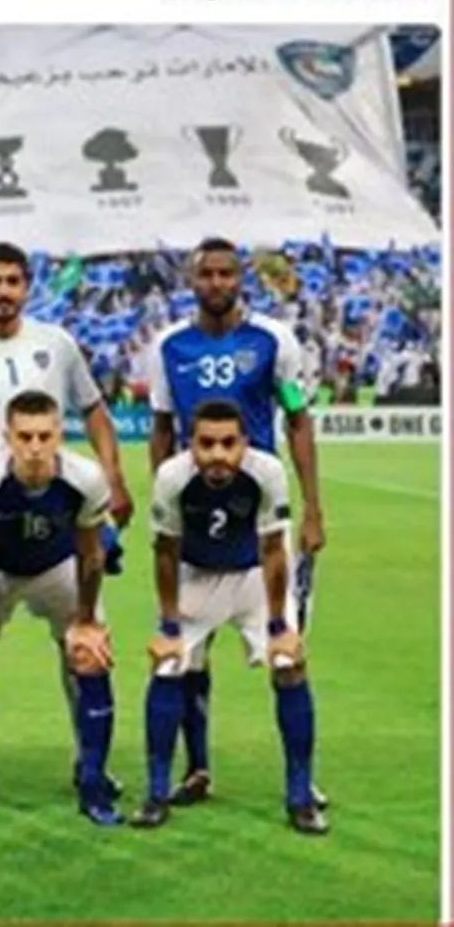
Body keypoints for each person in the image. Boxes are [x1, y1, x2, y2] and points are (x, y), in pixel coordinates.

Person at [0, 242, 131, 798]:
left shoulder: (56, 343)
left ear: (27, 286)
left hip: (57, 538)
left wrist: (113, 476)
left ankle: (91, 764)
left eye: (12, 281)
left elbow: (94, 410)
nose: (3, 291)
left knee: (87, 647)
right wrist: (3, 479)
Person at [147, 237, 326, 808]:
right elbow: (160, 428)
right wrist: (163, 498)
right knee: (185, 658)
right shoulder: (168, 346)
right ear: (192, 280)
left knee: (286, 654)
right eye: (207, 274)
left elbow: (297, 417)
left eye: (227, 274)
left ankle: (301, 783)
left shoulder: (275, 341)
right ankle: (196, 770)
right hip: (195, 521)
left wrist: (313, 507)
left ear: (240, 279)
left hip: (261, 518)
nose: (217, 283)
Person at [132, 399, 327, 835]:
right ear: (190, 443)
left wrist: (279, 627)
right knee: (168, 665)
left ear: (245, 443)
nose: (217, 454)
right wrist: (169, 626)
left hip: (254, 578)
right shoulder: (172, 476)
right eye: (206, 444)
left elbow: (273, 550)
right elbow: (165, 553)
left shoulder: (267, 471)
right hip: (195, 576)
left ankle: (300, 796)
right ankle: (157, 793)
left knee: (289, 665)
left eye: (228, 443)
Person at [0, 391, 123, 826]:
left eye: (45, 436)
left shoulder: (85, 478)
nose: (35, 447)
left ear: (60, 434)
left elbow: (91, 555)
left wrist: (86, 622)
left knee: (91, 656)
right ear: (7, 437)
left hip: (57, 567)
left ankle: (93, 784)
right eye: (24, 437)